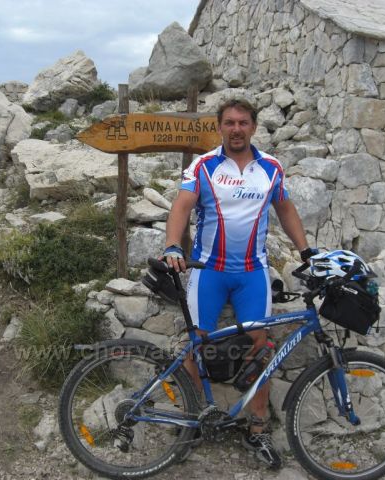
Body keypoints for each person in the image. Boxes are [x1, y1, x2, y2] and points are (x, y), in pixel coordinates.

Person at [163, 98, 315, 469]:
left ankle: (257, 428)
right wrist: (172, 245)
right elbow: (181, 206)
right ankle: (191, 421)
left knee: (260, 348)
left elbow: (285, 209)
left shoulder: (271, 168)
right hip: (208, 270)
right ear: (219, 127)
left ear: (253, 127)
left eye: (243, 123)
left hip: (252, 273)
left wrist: (307, 252)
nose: (236, 129)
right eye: (229, 122)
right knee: (197, 344)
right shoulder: (204, 165)